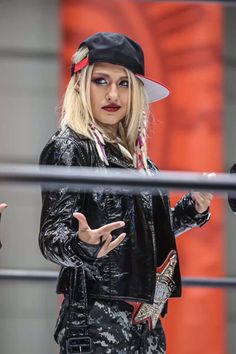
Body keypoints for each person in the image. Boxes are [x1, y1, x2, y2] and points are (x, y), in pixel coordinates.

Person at [39, 32, 212, 354]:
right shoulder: (71, 146)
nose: (113, 94)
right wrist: (83, 245)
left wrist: (192, 210)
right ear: (80, 86)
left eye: (124, 83)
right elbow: (51, 239)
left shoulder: (137, 159)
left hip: (146, 318)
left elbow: (139, 236)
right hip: (96, 317)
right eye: (101, 81)